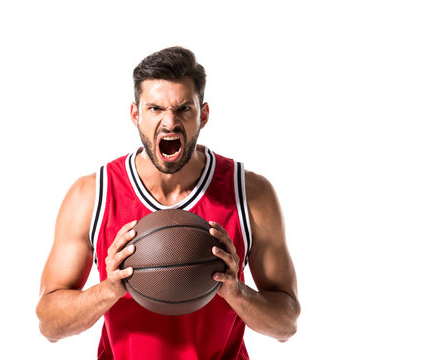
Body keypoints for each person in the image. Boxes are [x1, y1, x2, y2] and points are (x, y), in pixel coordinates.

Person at [36, 46, 300, 359]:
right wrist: (108, 289)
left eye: (183, 109)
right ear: (135, 114)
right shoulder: (93, 195)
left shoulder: (249, 194)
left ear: (203, 114)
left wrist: (236, 291)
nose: (170, 121)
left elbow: (286, 324)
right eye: (156, 109)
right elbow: (49, 324)